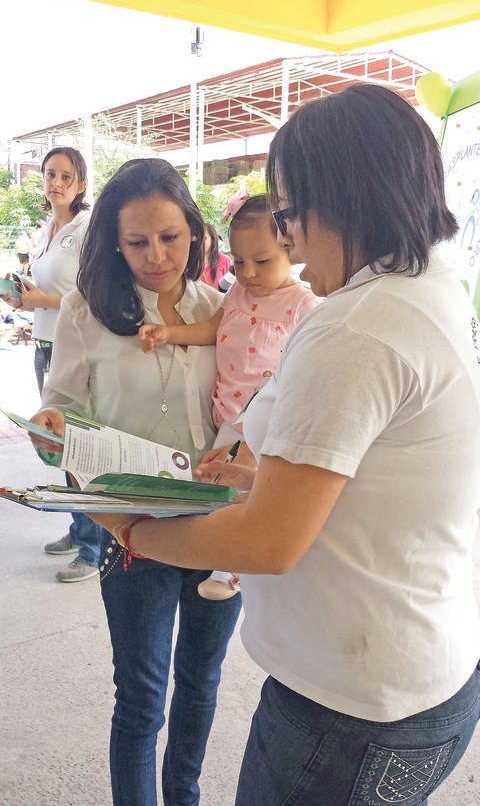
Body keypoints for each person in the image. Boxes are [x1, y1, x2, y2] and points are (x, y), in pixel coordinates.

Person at [85, 84, 480, 806]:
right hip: (428, 678)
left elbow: (267, 542)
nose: (287, 240)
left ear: (344, 196)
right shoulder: (430, 286)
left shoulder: (354, 324)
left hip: (349, 708)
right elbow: (350, 475)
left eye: (292, 214)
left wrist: (130, 526)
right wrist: (242, 475)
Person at [28, 157, 242, 806]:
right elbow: (62, 409)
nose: (157, 255)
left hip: (217, 529)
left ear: (195, 232)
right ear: (113, 244)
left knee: (202, 685)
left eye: (171, 237)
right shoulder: (85, 311)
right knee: (142, 696)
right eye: (138, 241)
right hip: (132, 530)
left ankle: (185, 794)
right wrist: (50, 426)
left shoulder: (223, 309)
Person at [140, 192, 320, 599]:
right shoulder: (236, 293)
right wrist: (170, 334)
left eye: (262, 261)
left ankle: (227, 572)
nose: (248, 273)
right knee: (218, 479)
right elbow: (210, 330)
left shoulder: (304, 305)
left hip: (267, 417)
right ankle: (221, 555)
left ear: (291, 251)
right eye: (238, 262)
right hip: (228, 413)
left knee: (243, 486)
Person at [4, 146, 101, 583]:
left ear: (81, 184)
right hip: (44, 343)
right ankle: (79, 526)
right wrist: (21, 298)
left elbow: (93, 296)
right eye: (49, 174)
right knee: (58, 440)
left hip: (75, 347)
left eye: (66, 175)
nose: (56, 182)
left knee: (80, 445)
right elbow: (44, 292)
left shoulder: (86, 229)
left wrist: (41, 300)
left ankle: (94, 545)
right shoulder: (47, 230)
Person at [200, 222, 231, 289]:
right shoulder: (191, 264)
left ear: (212, 239)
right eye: (198, 239)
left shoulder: (224, 260)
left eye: (204, 238)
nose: (200, 242)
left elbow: (232, 289)